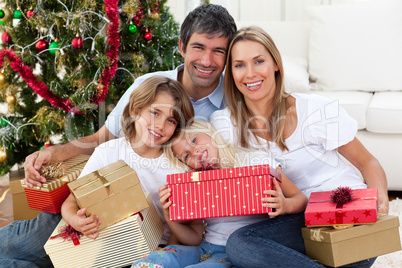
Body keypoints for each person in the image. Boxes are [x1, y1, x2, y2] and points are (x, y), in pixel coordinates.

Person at [209, 26, 385, 267]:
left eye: (258, 61)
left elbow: (367, 162)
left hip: (343, 214)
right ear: (231, 74)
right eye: (239, 65)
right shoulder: (224, 124)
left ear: (276, 64)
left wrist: (380, 203)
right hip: (296, 221)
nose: (250, 73)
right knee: (240, 245)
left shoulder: (314, 110)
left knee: (353, 254)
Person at [23, 4, 237, 188]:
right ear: (182, 47)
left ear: (228, 56)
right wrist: (53, 154)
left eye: (218, 51)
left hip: (192, 215)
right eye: (198, 47)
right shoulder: (148, 87)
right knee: (43, 226)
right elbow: (100, 140)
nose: (207, 61)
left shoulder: (237, 98)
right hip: (129, 199)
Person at [0, 76, 195, 268]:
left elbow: (178, 235)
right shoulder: (108, 152)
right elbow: (71, 202)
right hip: (93, 240)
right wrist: (75, 219)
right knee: (11, 251)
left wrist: (159, 259)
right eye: (155, 113)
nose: (160, 125)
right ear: (135, 110)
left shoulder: (176, 169)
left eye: (171, 120)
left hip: (139, 254)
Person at [131, 120, 308, 268]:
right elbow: (194, 238)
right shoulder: (196, 183)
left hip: (237, 251)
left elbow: (300, 199)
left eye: (194, 141)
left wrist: (284, 205)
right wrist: (169, 215)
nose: (195, 152)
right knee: (158, 259)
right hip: (205, 248)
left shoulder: (254, 161)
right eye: (186, 156)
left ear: (209, 133)